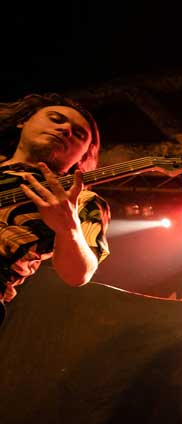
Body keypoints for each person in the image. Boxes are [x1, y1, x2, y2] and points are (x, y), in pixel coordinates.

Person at [0, 93, 110, 324]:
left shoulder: (82, 200)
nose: (66, 129)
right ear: (24, 121)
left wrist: (69, 227)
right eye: (56, 119)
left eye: (78, 134)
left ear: (83, 155)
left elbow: (79, 275)